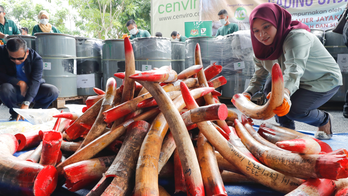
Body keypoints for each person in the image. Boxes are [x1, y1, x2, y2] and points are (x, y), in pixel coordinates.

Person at [242, 3, 342, 140]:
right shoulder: (261, 49)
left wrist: (284, 93)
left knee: (295, 110)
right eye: (256, 31)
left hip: (322, 79)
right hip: (293, 79)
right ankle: (286, 130)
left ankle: (324, 120)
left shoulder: (297, 37)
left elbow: (294, 70)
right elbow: (260, 75)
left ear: (277, 22)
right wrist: (247, 94)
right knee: (270, 91)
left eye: (266, 26)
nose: (262, 34)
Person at [0, 37, 59, 121]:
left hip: (31, 89)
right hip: (12, 91)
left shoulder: (36, 58)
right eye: (12, 58)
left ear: (27, 52)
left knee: (53, 91)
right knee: (4, 89)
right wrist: (18, 82)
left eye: (20, 58)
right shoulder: (1, 52)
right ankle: (15, 114)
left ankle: (34, 114)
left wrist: (26, 102)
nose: (16, 61)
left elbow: (36, 81)